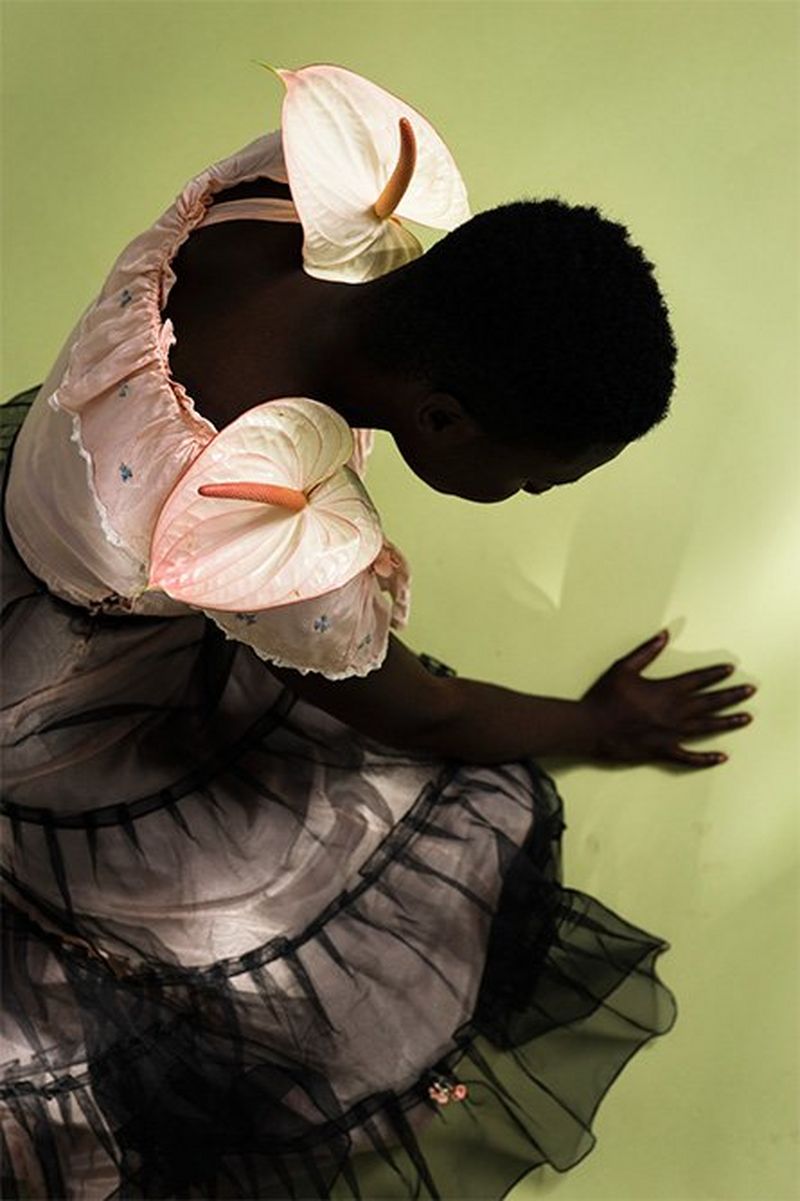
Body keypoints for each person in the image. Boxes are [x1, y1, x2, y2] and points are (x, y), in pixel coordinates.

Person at [0, 63, 756, 1200]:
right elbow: (426, 710)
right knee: (323, 931)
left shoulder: (301, 186)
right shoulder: (275, 546)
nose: (528, 501)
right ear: (440, 418)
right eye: (530, 484)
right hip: (75, 679)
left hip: (50, 491)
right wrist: (592, 721)